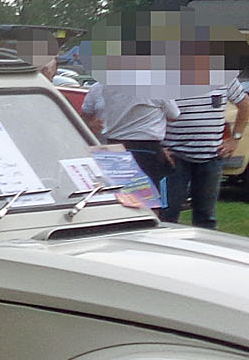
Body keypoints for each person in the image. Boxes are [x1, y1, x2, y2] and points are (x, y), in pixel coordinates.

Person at [80, 24, 180, 193]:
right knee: (147, 199)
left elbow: (87, 114)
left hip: (113, 146)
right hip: (145, 148)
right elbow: (174, 115)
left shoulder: (107, 84)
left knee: (116, 196)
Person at [160, 36, 247, 229]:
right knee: (168, 213)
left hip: (212, 157)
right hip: (175, 158)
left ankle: (206, 252)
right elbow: (153, 114)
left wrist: (235, 139)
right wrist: (160, 147)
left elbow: (244, 105)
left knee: (206, 218)